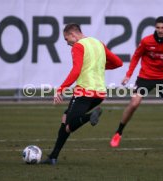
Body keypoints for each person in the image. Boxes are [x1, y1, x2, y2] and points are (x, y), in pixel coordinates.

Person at [41, 23, 123, 165]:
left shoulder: (78, 46)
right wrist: (96, 66)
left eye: (67, 39)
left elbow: (76, 70)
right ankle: (53, 156)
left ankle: (89, 117)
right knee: (65, 117)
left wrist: (60, 89)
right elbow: (118, 62)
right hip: (100, 94)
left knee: (69, 125)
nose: (67, 43)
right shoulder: (99, 43)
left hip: (84, 91)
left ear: (73, 34)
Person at [110, 16, 163, 148]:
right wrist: (128, 75)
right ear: (155, 28)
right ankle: (118, 133)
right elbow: (136, 57)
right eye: (158, 27)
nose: (160, 30)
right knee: (134, 103)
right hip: (146, 77)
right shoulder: (146, 41)